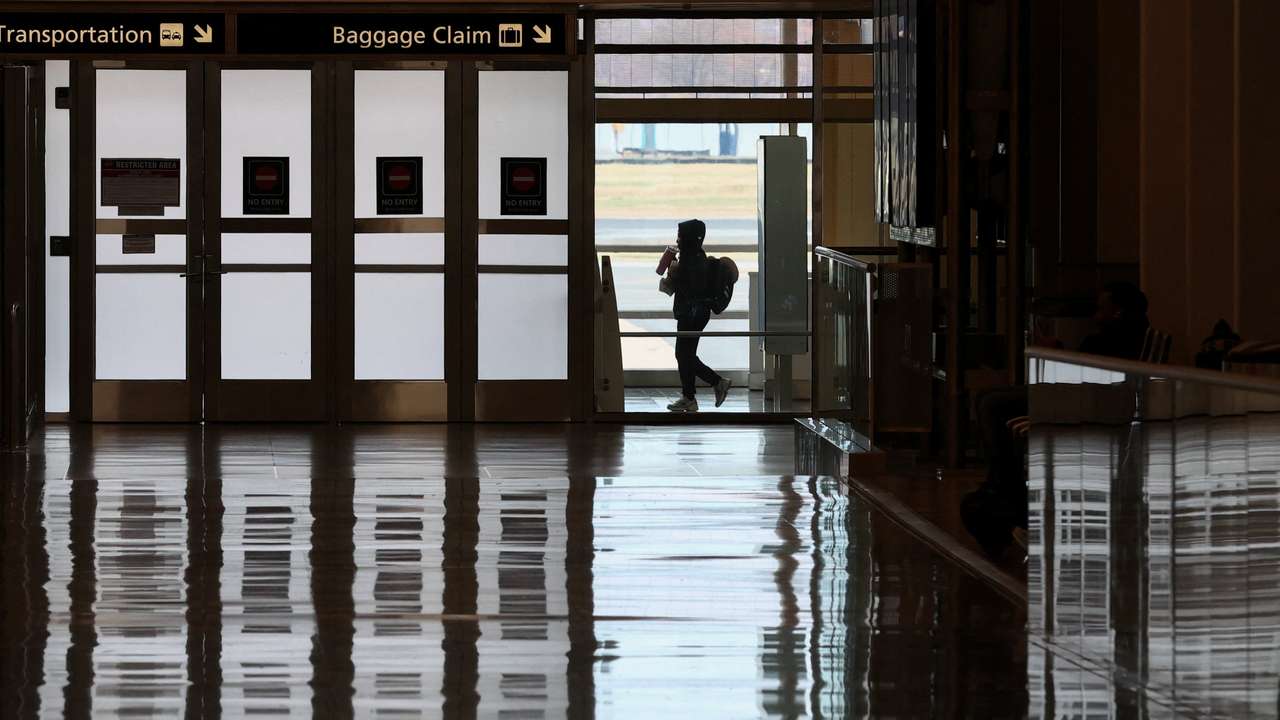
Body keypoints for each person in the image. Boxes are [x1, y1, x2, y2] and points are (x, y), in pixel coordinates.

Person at [963, 281, 1151, 555]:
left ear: (1117, 312)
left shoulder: (1111, 341)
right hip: (1073, 397)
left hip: (1073, 401)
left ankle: (1003, 483)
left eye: (1101, 309)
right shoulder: (1120, 340)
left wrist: (1057, 355)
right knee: (989, 401)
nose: (1095, 315)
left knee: (992, 403)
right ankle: (1001, 481)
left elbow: (1089, 381)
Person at [663, 219, 731, 412]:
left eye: (681, 236)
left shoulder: (690, 260)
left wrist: (674, 274)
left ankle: (717, 382)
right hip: (695, 313)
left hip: (691, 314)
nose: (678, 239)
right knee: (685, 354)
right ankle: (689, 397)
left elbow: (691, 290)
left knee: (683, 354)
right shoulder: (696, 256)